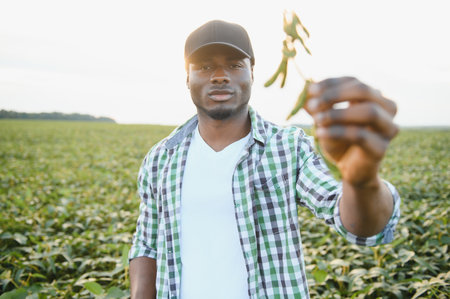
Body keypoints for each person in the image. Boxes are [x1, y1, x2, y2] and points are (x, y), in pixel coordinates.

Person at [128, 20, 400, 299]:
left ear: (252, 73)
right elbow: (147, 245)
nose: (220, 76)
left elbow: (360, 226)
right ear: (187, 77)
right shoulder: (161, 158)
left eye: (234, 65)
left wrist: (361, 179)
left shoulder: (289, 148)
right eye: (205, 66)